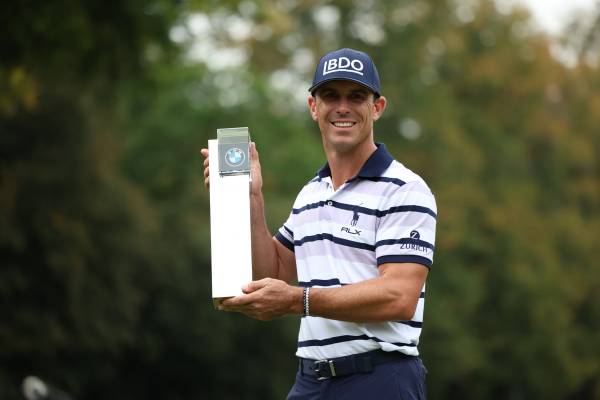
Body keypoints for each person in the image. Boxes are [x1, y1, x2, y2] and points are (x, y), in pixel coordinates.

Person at [201, 48, 437, 400]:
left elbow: (399, 297)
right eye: (330, 96)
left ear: (377, 107)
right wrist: (251, 198)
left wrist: (299, 300)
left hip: (379, 378)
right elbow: (272, 272)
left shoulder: (405, 189)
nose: (342, 107)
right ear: (314, 107)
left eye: (356, 96)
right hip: (311, 379)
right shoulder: (312, 193)